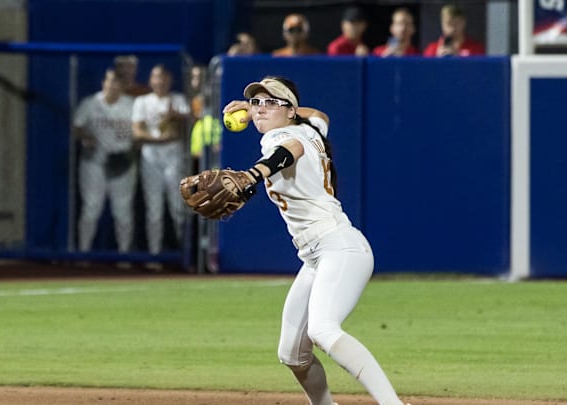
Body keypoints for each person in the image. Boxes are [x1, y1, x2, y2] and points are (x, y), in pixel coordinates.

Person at [222, 76, 407, 405]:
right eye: (256, 102)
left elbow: (288, 151)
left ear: (290, 112)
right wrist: (258, 110)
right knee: (292, 354)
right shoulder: (313, 128)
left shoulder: (283, 136)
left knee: (323, 329)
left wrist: (252, 174)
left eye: (270, 102)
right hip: (317, 256)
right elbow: (319, 113)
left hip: (340, 247)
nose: (260, 108)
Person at [72, 68, 136, 253]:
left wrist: (131, 153)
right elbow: (76, 127)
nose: (112, 85)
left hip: (121, 161)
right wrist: (85, 135)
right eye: (109, 81)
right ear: (103, 83)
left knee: (122, 212)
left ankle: (124, 255)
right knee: (91, 208)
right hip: (95, 161)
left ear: (123, 86)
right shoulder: (91, 103)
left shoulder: (131, 104)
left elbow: (139, 132)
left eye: (117, 82)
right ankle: (83, 253)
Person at [132, 64, 191, 256]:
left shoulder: (178, 100)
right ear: (151, 81)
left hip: (174, 156)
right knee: (154, 209)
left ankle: (185, 254)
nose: (160, 82)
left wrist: (176, 116)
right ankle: (154, 255)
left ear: (170, 81)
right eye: (156, 78)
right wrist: (160, 138)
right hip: (151, 156)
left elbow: (188, 122)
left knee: (177, 206)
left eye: (163, 78)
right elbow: (138, 132)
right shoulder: (142, 101)